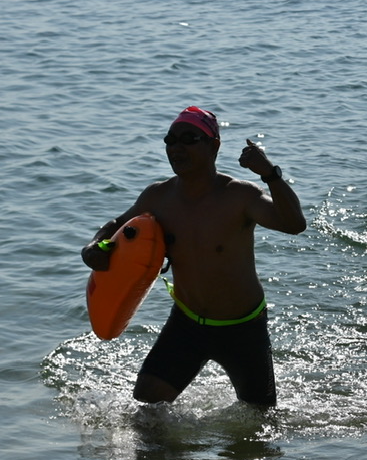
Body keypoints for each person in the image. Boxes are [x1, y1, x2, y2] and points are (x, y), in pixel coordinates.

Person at [81, 106, 306, 408]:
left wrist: (270, 174)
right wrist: (93, 246)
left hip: (243, 327)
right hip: (187, 323)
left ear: (214, 146)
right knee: (147, 405)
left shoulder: (240, 196)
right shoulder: (159, 197)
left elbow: (294, 224)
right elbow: (115, 225)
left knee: (260, 421)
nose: (177, 147)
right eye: (170, 140)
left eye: (189, 139)